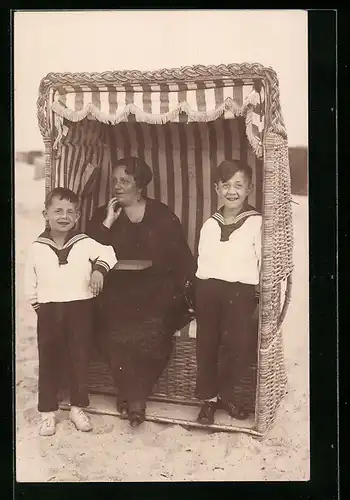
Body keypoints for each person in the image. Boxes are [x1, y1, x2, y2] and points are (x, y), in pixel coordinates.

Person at [87, 156, 195, 427]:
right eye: (114, 181)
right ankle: (136, 399)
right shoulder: (105, 213)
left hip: (156, 289)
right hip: (116, 289)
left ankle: (130, 395)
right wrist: (108, 222)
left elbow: (181, 258)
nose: (117, 186)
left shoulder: (160, 213)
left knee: (155, 327)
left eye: (124, 180)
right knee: (111, 324)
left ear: (140, 185)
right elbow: (86, 253)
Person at [24, 187, 117, 436]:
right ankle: (48, 412)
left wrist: (99, 271)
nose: (64, 216)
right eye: (58, 211)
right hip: (48, 310)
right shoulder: (37, 247)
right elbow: (29, 284)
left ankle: (77, 408)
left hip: (80, 308)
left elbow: (108, 253)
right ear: (46, 214)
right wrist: (41, 307)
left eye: (70, 212)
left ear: (77, 216)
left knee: (79, 358)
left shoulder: (84, 242)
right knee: (49, 360)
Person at [195, 160, 261, 425]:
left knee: (237, 345)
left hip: (240, 292)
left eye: (238, 185)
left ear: (249, 188)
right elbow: (204, 262)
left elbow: (262, 261)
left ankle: (228, 394)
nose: (231, 191)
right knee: (206, 344)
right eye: (225, 185)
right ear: (216, 188)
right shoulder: (210, 224)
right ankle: (209, 400)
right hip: (208, 290)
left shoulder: (257, 223)